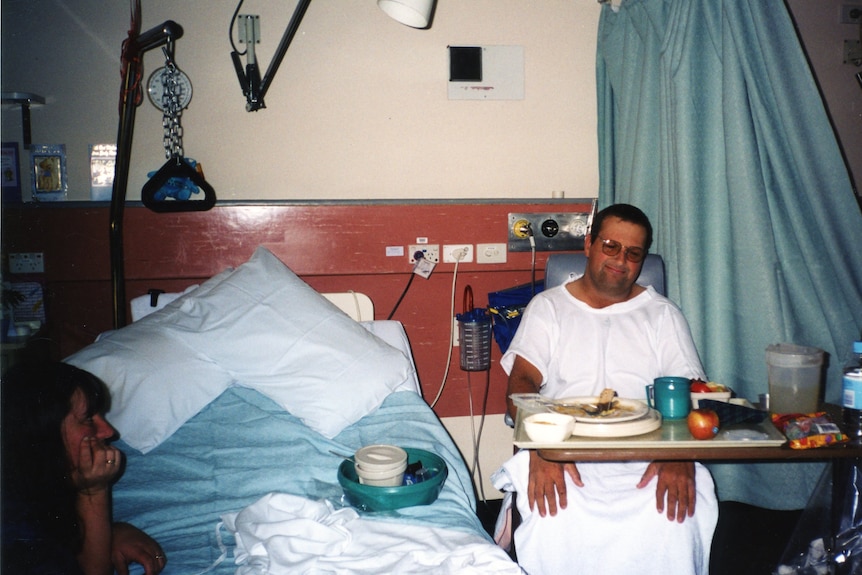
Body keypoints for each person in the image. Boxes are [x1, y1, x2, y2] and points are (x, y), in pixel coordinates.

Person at [493, 203, 718, 574]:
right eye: (611, 246)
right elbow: (522, 383)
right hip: (562, 449)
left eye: (633, 253)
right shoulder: (548, 307)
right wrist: (540, 449)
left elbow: (691, 393)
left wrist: (679, 456)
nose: (620, 260)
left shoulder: (662, 315)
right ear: (589, 244)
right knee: (555, 518)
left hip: (651, 452)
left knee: (673, 519)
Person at [1, 362, 166, 575]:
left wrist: (110, 533)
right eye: (88, 420)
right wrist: (94, 492)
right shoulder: (12, 521)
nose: (108, 432)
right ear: (43, 433)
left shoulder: (39, 486)